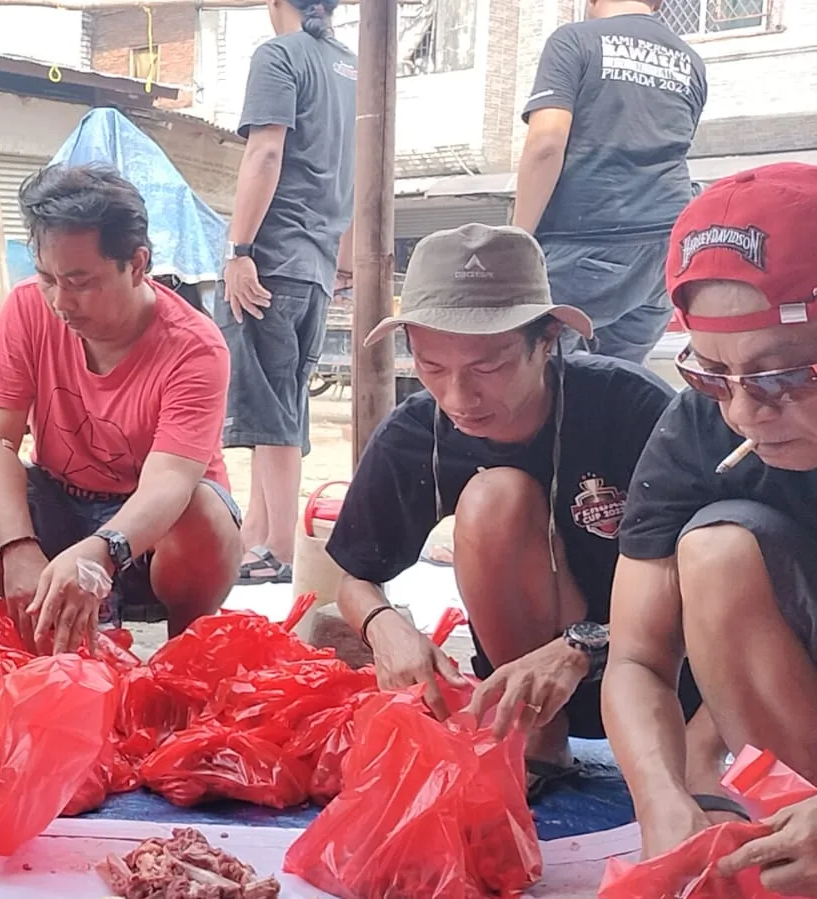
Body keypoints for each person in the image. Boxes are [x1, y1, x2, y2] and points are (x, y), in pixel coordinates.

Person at [326, 223, 715, 801]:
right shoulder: (414, 434)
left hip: (665, 671)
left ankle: (697, 757)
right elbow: (354, 576)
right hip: (523, 686)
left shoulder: (632, 407)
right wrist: (386, 628)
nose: (459, 397)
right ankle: (538, 745)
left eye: (487, 368)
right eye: (432, 368)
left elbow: (707, 579)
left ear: (549, 338)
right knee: (494, 497)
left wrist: (584, 645)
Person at [0, 164, 242, 656]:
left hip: (153, 537)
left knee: (202, 510)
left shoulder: (195, 347)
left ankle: (185, 656)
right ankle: (51, 627)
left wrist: (102, 552)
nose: (61, 302)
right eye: (48, 278)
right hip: (60, 510)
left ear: (136, 264)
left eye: (80, 281)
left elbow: (170, 480)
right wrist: (18, 550)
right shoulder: (28, 308)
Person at [606, 163, 817, 888]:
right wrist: (659, 801)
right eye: (711, 373)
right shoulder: (700, 426)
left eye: (781, 374)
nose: (742, 412)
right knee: (715, 549)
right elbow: (634, 658)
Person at [221, 0, 356, 585]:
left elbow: (266, 150)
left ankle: (277, 547)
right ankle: (257, 533)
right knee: (286, 400)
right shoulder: (352, 68)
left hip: (276, 254)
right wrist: (345, 258)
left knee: (269, 406)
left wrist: (240, 251)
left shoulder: (280, 55)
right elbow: (359, 168)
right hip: (319, 259)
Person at [514, 0, 707, 365]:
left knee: (527, 377)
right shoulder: (690, 60)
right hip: (664, 251)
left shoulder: (574, 40)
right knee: (616, 384)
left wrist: (517, 243)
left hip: (585, 245)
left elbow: (545, 144)